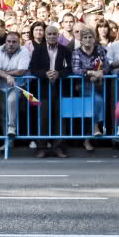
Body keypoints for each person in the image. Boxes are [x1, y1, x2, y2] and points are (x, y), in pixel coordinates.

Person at [29, 25, 73, 157]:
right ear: (45, 36)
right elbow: (34, 70)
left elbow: (70, 69)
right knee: (43, 118)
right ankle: (41, 147)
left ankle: (58, 147)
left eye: (54, 34)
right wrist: (45, 74)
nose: (52, 36)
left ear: (58, 35)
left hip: (60, 88)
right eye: (49, 34)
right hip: (43, 89)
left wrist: (59, 73)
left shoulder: (65, 50)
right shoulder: (38, 50)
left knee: (60, 119)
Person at [72, 27, 110, 152]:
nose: (88, 40)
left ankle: (89, 138)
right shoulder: (76, 52)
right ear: (81, 40)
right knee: (96, 101)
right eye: (85, 37)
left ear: (94, 39)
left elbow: (106, 66)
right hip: (83, 86)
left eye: (90, 37)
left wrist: (100, 73)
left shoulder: (100, 50)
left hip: (99, 84)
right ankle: (96, 127)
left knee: (95, 105)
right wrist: (90, 73)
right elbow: (76, 69)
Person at [0, 31, 32, 138]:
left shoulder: (24, 51)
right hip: (1, 86)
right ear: (5, 41)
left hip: (17, 85)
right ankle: (8, 142)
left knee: (11, 101)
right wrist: (8, 76)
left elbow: (21, 71)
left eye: (14, 42)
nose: (11, 44)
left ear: (19, 42)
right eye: (9, 41)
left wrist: (5, 74)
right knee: (3, 113)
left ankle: (11, 128)